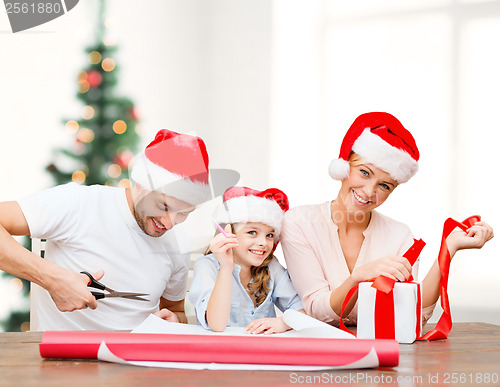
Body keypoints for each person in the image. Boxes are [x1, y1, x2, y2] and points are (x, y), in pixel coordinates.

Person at [281, 112, 494, 327]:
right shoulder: (299, 223)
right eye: (364, 173)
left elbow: (413, 315)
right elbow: (318, 312)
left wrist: (449, 247)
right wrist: (359, 277)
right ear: (345, 166)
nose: (369, 191)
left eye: (384, 185)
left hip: (384, 353)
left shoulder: (399, 236)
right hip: (320, 353)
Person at [0, 129, 217, 331]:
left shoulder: (178, 242)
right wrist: (53, 279)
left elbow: (176, 310)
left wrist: (174, 320)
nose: (169, 224)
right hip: (64, 364)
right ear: (140, 184)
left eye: (183, 213)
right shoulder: (78, 203)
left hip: (135, 365)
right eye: (163, 206)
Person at [189, 186, 304, 334]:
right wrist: (226, 268)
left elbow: (303, 310)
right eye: (252, 232)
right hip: (219, 353)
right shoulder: (207, 266)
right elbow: (217, 325)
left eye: (269, 235)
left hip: (262, 352)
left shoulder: (271, 266)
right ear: (228, 232)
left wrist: (283, 322)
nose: (263, 242)